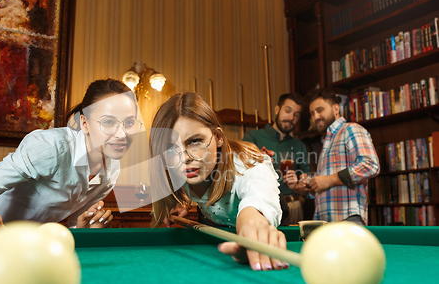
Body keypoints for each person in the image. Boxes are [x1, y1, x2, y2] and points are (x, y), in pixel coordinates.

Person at [0, 79, 142, 244]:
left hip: (20, 244)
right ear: (84, 123)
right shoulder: (52, 146)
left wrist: (85, 228)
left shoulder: (111, 169)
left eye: (129, 123)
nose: (121, 134)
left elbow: (72, 226)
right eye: (108, 122)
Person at [149, 92, 286, 271]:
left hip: (267, 220)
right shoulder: (176, 166)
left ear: (218, 137)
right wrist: (183, 201)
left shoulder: (250, 166)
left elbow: (256, 205)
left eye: (195, 141)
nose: (184, 158)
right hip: (220, 225)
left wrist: (253, 228)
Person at [303, 88, 380, 225]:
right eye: (312, 113)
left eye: (320, 110)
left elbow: (370, 165)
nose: (315, 117)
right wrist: (311, 185)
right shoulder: (326, 142)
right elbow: (327, 185)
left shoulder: (350, 129)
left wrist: (329, 180)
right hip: (325, 222)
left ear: (336, 109)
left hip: (348, 219)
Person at [242, 93, 310, 224]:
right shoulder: (253, 137)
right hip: (262, 206)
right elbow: (240, 171)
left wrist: (298, 186)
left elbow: (306, 186)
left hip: (294, 206)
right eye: (288, 111)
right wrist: (257, 159)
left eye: (296, 115)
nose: (291, 118)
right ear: (277, 110)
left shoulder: (299, 145)